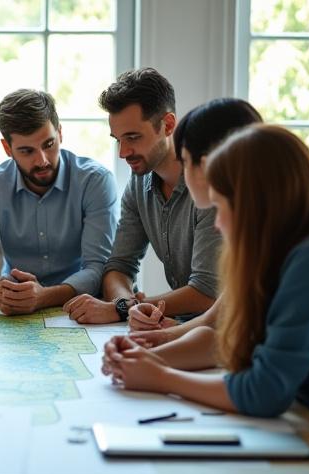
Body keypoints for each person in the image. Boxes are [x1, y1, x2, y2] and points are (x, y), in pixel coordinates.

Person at [103, 124, 309, 445]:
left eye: (220, 206)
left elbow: (264, 392)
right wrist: (148, 356)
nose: (218, 223)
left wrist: (161, 377)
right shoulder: (280, 254)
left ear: (258, 203)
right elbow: (225, 341)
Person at [63, 68, 220, 325]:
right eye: (118, 140)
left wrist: (123, 310)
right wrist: (126, 304)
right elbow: (118, 266)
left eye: (133, 137)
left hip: (226, 334)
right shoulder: (138, 184)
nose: (123, 153)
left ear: (168, 125)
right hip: (180, 326)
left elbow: (207, 291)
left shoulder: (208, 183)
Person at [0, 89, 118, 315]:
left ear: (60, 133)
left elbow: (99, 267)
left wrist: (43, 296)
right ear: (7, 149)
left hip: (82, 307)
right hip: (15, 308)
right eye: (27, 151)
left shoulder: (95, 181)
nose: (42, 160)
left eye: (48, 144)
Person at [127, 98, 262, 340]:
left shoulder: (297, 254)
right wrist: (162, 339)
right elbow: (214, 322)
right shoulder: (256, 239)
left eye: (185, 161)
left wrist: (154, 362)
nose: (181, 174)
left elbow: (265, 370)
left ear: (212, 165)